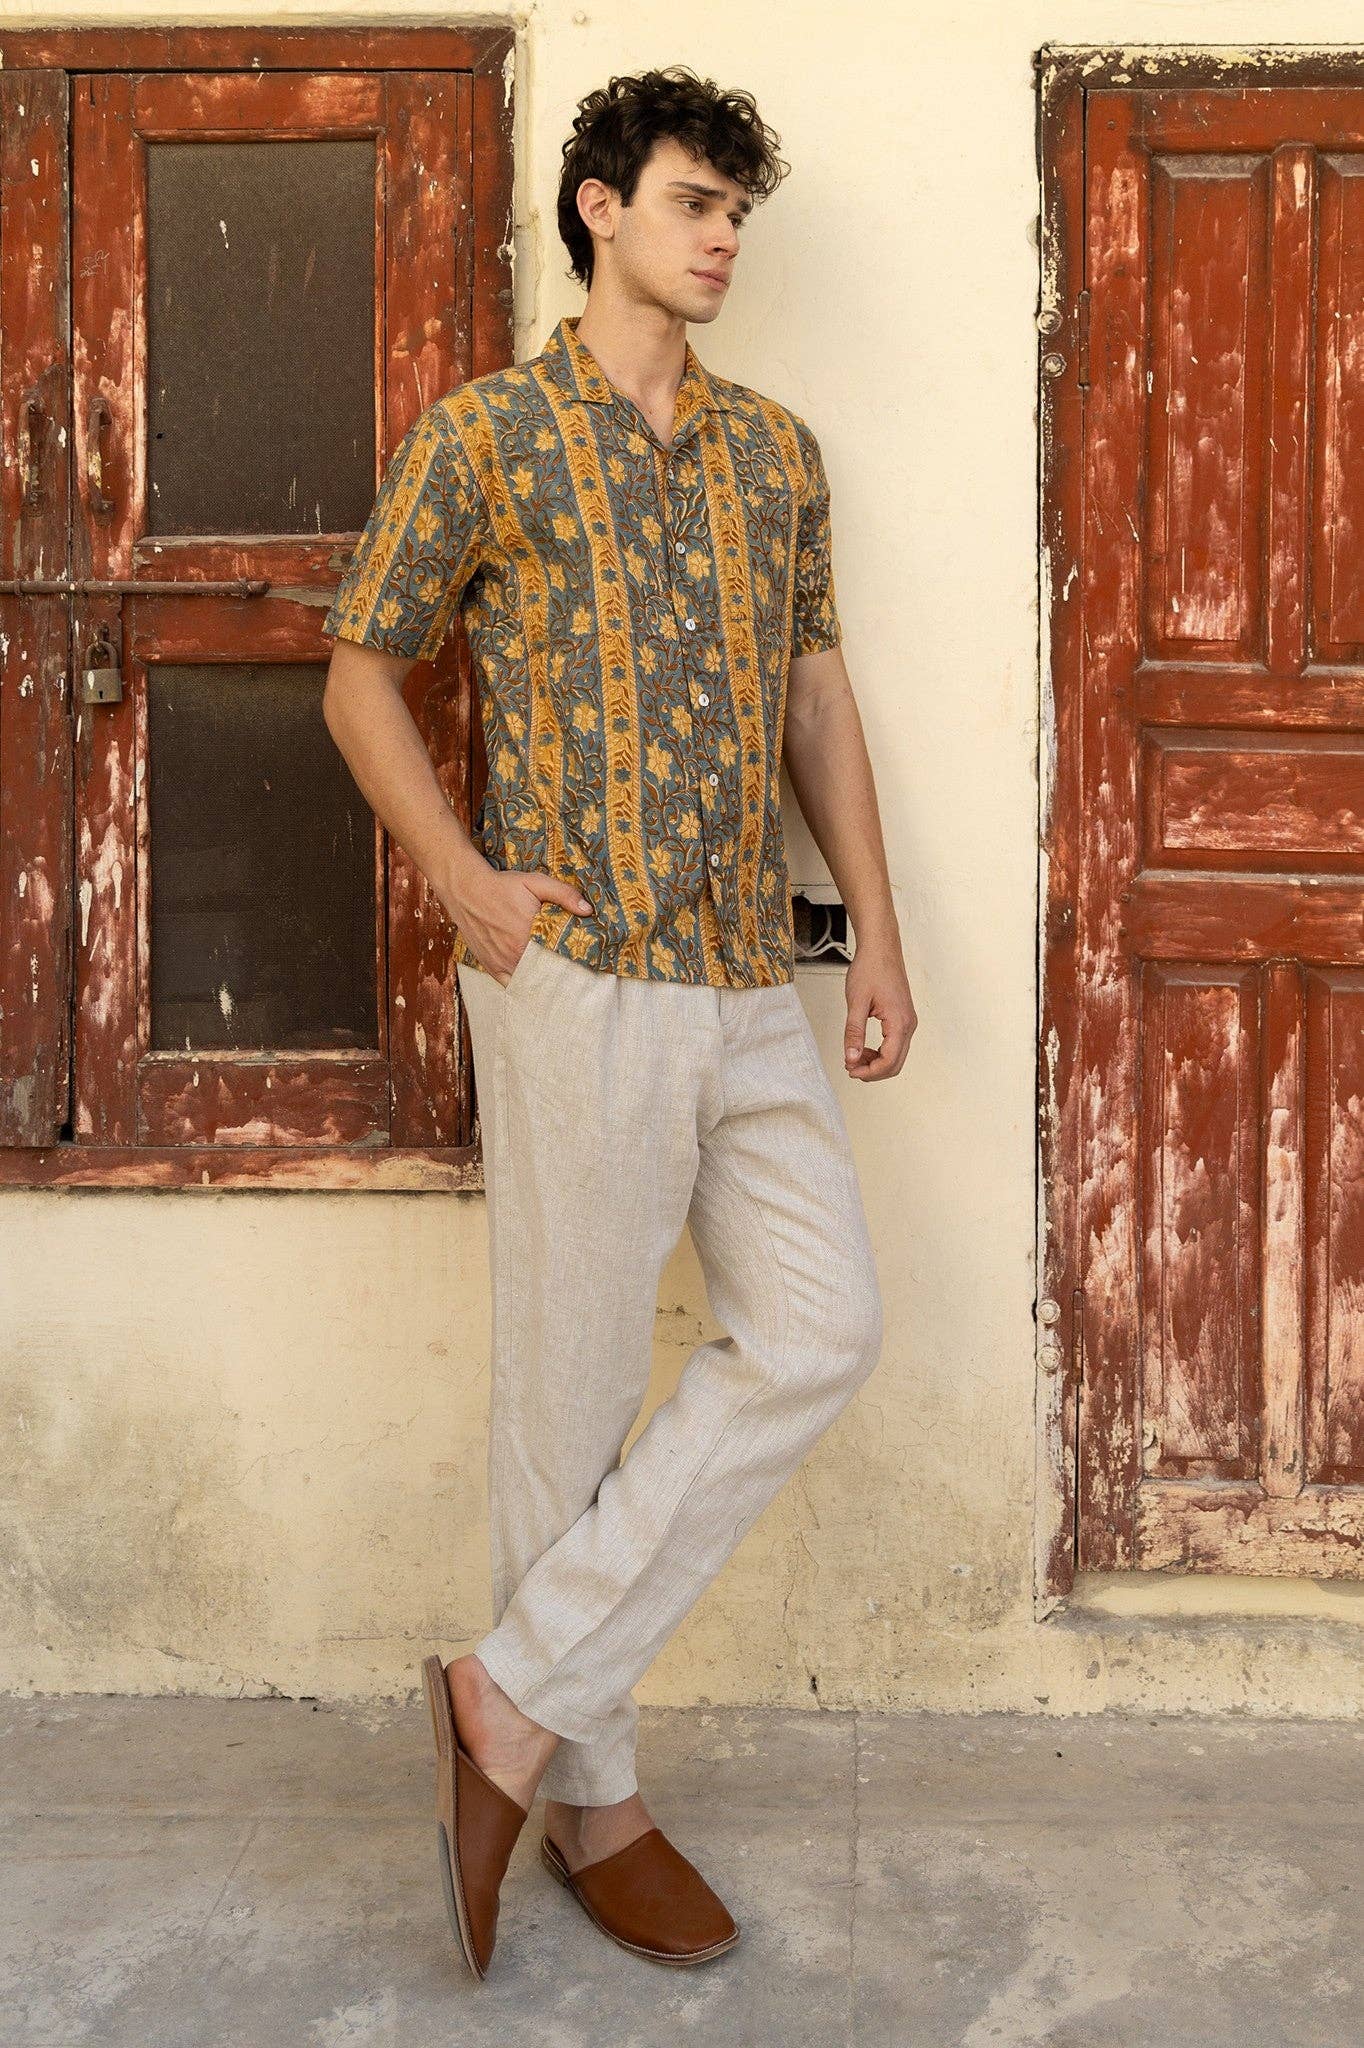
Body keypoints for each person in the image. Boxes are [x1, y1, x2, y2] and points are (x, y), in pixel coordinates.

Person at [322, 63, 917, 1979]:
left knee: (821, 1324)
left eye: (740, 209)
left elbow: (816, 699)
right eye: (693, 202)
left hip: (745, 973)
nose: (725, 237)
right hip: (576, 978)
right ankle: (597, 1799)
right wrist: (467, 883)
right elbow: (358, 675)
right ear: (599, 208)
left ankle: (502, 1698)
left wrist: (878, 938)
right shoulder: (489, 437)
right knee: (566, 1410)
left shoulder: (776, 454)